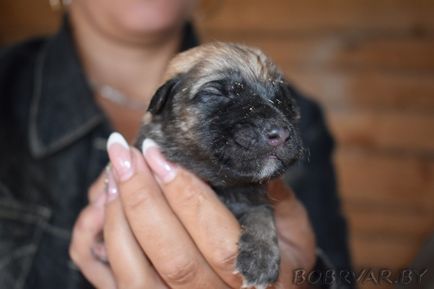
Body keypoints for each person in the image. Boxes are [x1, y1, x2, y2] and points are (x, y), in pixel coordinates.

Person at [0, 0, 352, 288]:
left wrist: (304, 282)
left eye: (278, 99)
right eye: (216, 93)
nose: (274, 121)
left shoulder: (303, 116)